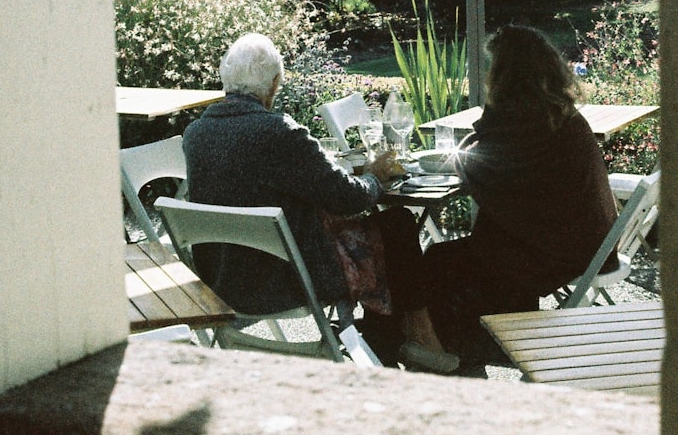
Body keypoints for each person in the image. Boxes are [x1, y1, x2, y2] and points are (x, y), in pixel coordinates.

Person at [183, 33, 459, 373]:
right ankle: (420, 338)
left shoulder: (196, 134)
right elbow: (348, 198)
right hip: (286, 281)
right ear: (273, 84)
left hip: (224, 282)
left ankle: (389, 340)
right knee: (398, 224)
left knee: (383, 229)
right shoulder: (279, 133)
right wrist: (374, 178)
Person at [421, 25, 620, 364]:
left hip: (560, 249)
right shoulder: (555, 113)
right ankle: (461, 349)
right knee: (460, 255)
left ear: (504, 75)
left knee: (439, 262)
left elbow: (478, 167)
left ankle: (465, 352)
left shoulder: (526, 122)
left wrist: (483, 127)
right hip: (586, 242)